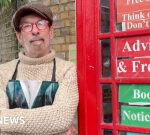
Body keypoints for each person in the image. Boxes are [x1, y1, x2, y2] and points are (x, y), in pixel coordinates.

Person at [0, 3, 78, 135]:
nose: (35, 31)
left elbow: (61, 119)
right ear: (19, 37)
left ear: (51, 32)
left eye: (41, 23)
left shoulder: (67, 70)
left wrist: (9, 122)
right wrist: (52, 129)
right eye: (27, 26)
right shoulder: (2, 72)